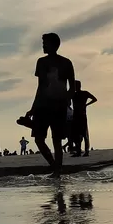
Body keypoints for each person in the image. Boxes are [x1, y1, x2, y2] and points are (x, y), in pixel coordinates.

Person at [32, 33, 75, 175]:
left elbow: (72, 87)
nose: (43, 45)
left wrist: (65, 101)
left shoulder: (66, 63)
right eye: (43, 43)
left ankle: (58, 168)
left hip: (58, 106)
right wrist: (33, 108)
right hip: (43, 106)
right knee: (39, 139)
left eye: (46, 43)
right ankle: (54, 165)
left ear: (54, 44)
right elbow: (40, 86)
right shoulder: (41, 62)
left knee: (56, 139)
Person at [69, 81, 97, 156]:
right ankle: (83, 151)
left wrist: (86, 104)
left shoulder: (75, 94)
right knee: (80, 133)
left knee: (82, 133)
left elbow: (94, 99)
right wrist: (86, 104)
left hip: (79, 115)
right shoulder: (76, 94)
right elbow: (94, 99)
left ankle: (84, 151)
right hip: (79, 115)